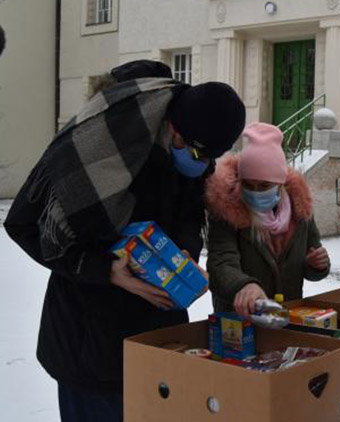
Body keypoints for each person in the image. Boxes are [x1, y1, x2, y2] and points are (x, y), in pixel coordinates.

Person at [4, 74, 246, 421]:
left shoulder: (188, 155)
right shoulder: (101, 149)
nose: (202, 165)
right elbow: (25, 226)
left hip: (157, 341)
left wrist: (183, 261)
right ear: (174, 129)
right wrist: (106, 270)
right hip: (89, 348)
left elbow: (189, 216)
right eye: (197, 154)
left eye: (211, 160)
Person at [205, 122, 329, 315]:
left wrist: (317, 264)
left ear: (279, 184)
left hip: (286, 318)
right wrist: (244, 286)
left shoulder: (300, 211)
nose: (255, 192)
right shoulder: (226, 210)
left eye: (264, 186)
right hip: (238, 324)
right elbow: (220, 263)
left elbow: (311, 261)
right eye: (248, 185)